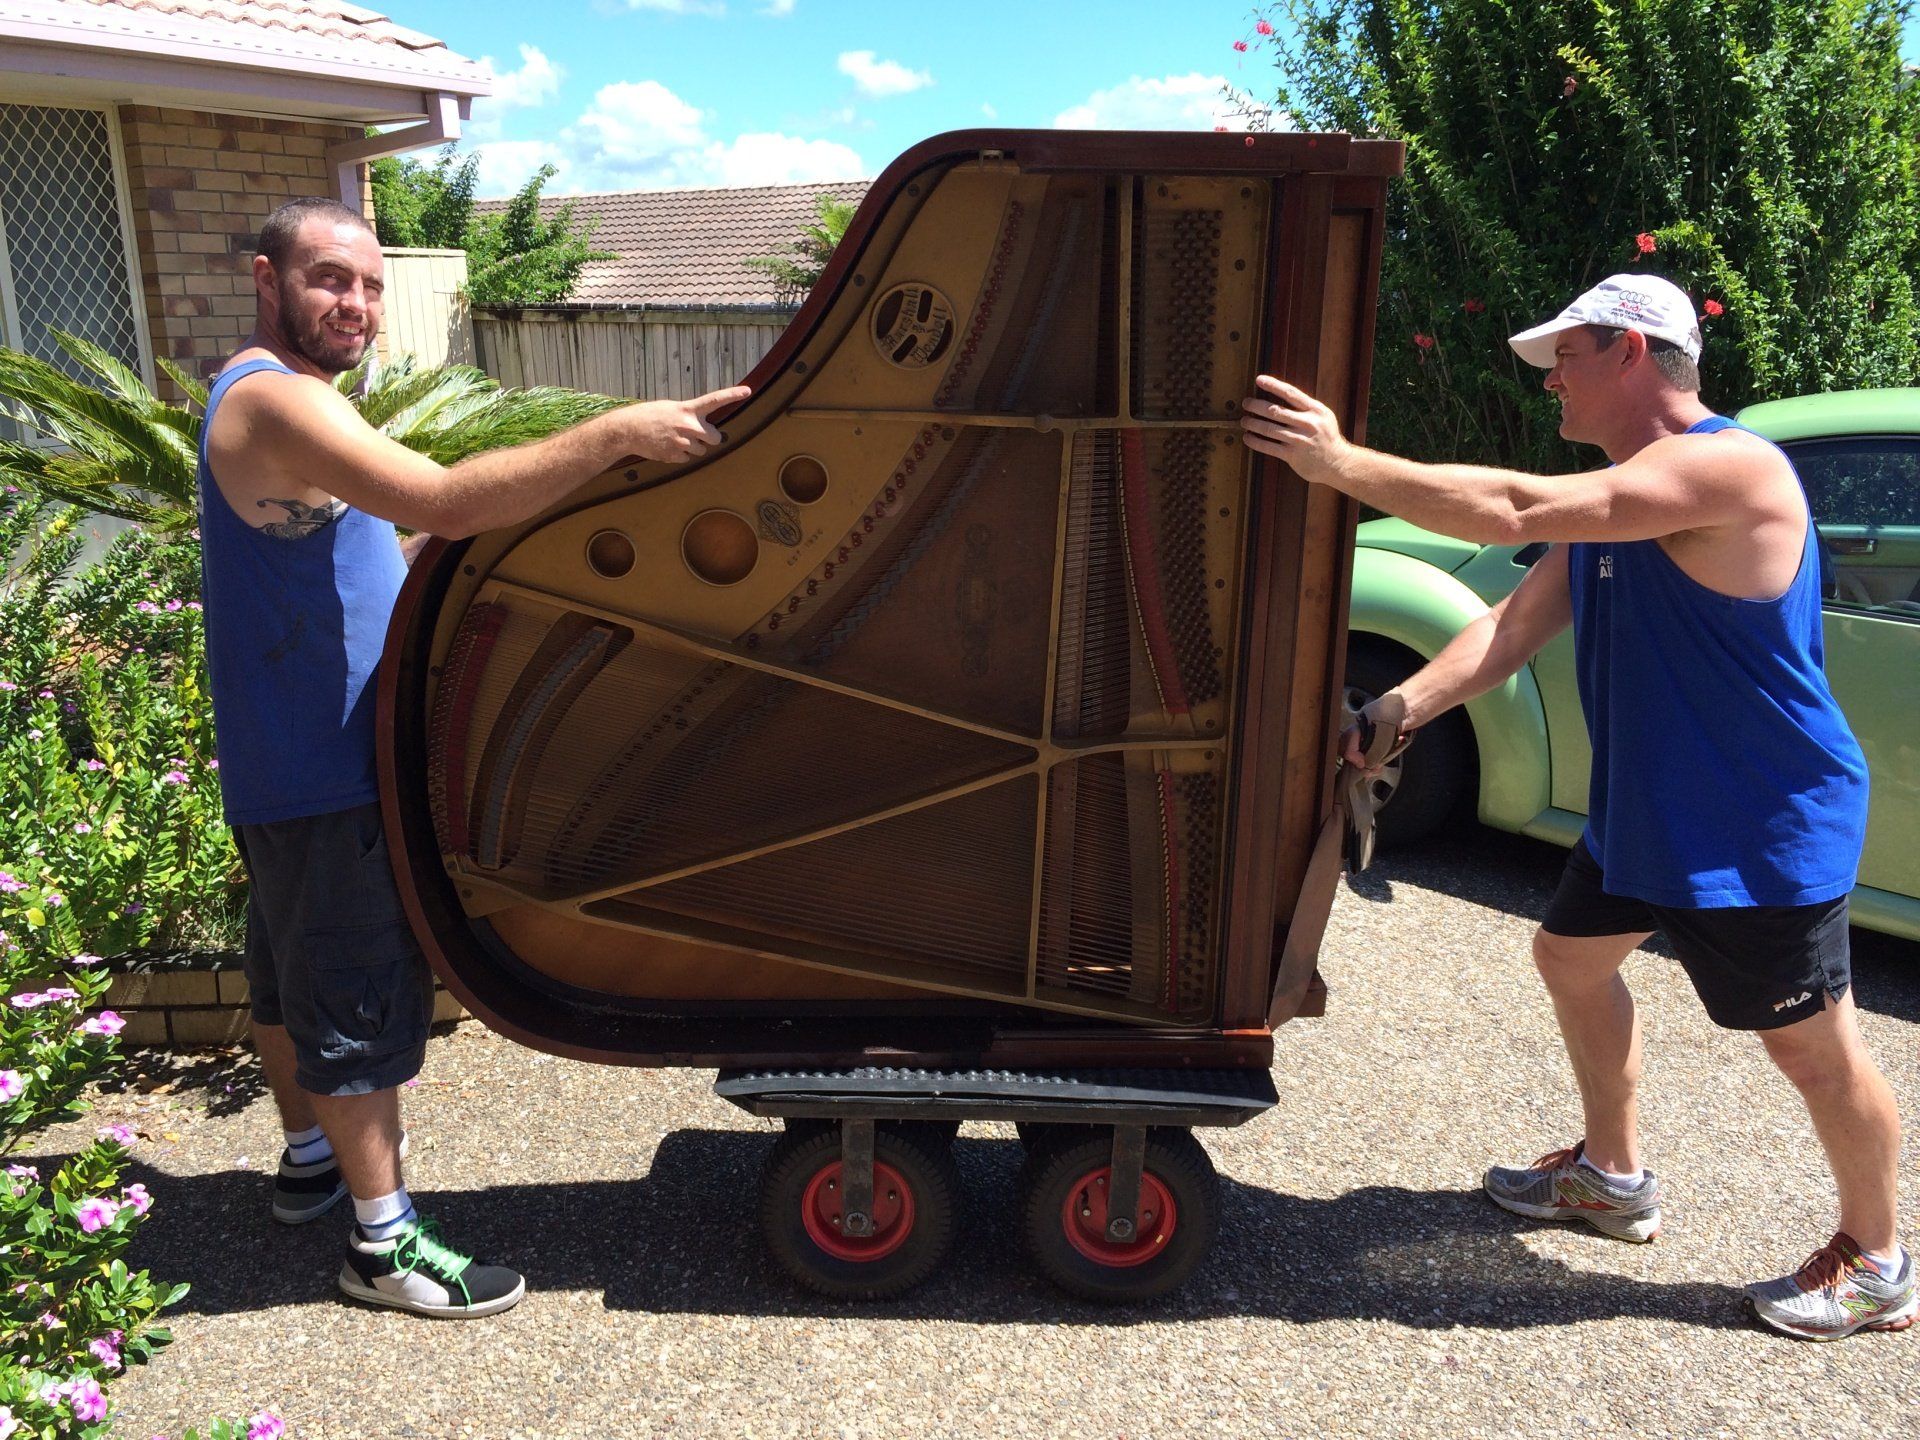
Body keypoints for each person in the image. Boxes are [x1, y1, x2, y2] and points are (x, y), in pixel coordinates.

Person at [1239, 273, 1912, 1340]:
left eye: (1569, 354)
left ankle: (1878, 1261)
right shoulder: (1626, 499)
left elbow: (1514, 505)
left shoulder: (1726, 470)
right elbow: (1510, 628)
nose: (1552, 375)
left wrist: (1339, 466)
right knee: (1570, 959)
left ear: (1634, 353)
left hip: (1762, 823)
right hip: (1654, 808)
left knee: (1812, 1049)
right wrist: (1401, 707)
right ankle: (1612, 1176)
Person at [200, 195, 748, 1318]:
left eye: (365, 284)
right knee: (354, 1004)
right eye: (327, 280)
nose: (353, 303)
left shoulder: (284, 404)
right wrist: (613, 435)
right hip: (322, 767)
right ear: (268, 279)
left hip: (285, 758)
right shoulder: (276, 400)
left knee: (287, 972)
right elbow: (442, 496)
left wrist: (476, 543)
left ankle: (311, 1166)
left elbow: (392, 536)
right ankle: (382, 1245)